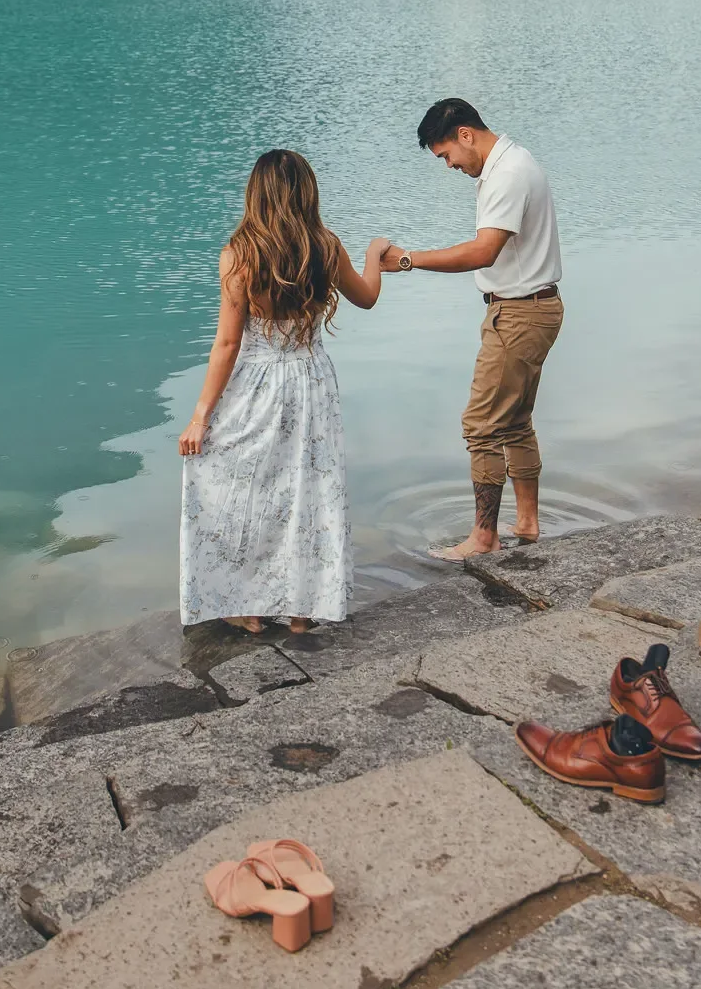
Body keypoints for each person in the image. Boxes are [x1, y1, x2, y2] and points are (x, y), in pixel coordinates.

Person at [179, 148, 390, 635]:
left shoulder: (239, 255)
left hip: (256, 382)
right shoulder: (325, 246)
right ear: (306, 193)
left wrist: (200, 416)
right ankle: (301, 609)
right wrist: (375, 254)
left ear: (257, 194)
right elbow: (368, 297)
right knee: (309, 488)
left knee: (241, 485)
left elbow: (228, 343)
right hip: (312, 379)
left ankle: (247, 603)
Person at [381, 98, 562, 559]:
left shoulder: (506, 174)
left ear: (465, 134)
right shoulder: (514, 162)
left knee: (481, 426)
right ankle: (526, 524)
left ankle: (483, 538)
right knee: (515, 422)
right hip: (533, 308)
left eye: (446, 155)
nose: (449, 166)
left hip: (520, 313)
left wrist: (408, 260)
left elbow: (483, 252)